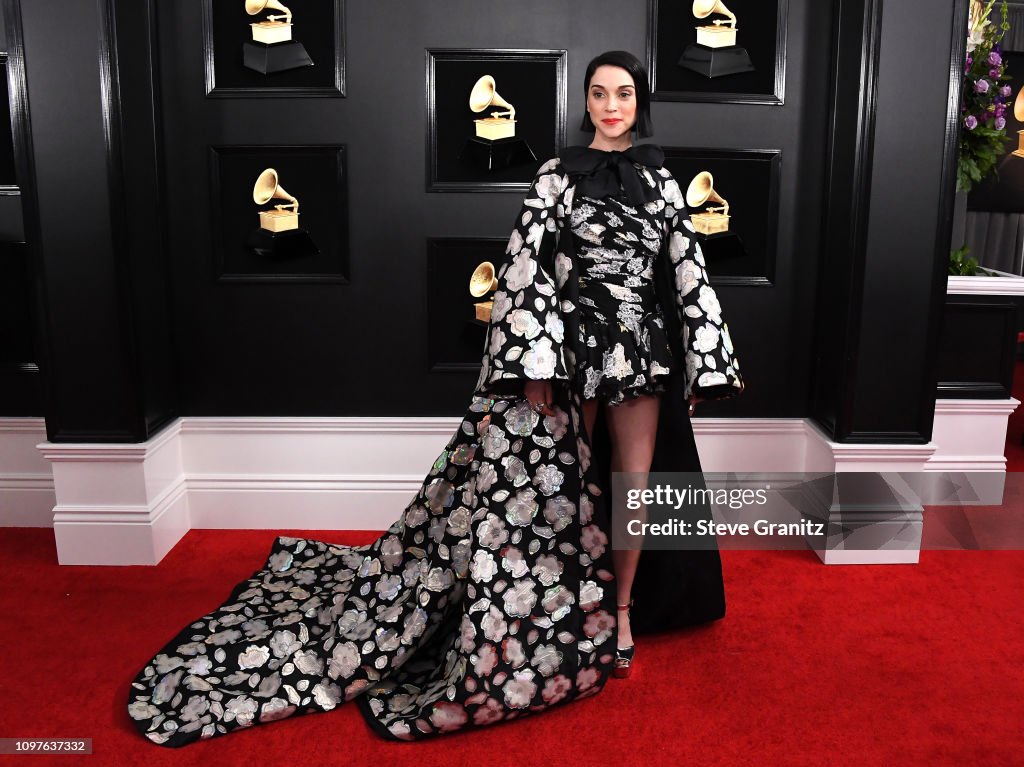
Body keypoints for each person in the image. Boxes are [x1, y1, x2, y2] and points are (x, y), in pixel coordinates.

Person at [126, 50, 745, 747]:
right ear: (587, 102)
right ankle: (567, 611)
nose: (610, 105)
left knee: (634, 485)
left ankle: (623, 613)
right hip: (571, 347)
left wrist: (704, 364)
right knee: (569, 488)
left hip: (641, 348)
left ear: (639, 103)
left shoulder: (661, 180)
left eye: (622, 93)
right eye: (599, 93)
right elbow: (522, 262)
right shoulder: (555, 174)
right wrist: (534, 355)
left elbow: (687, 268)